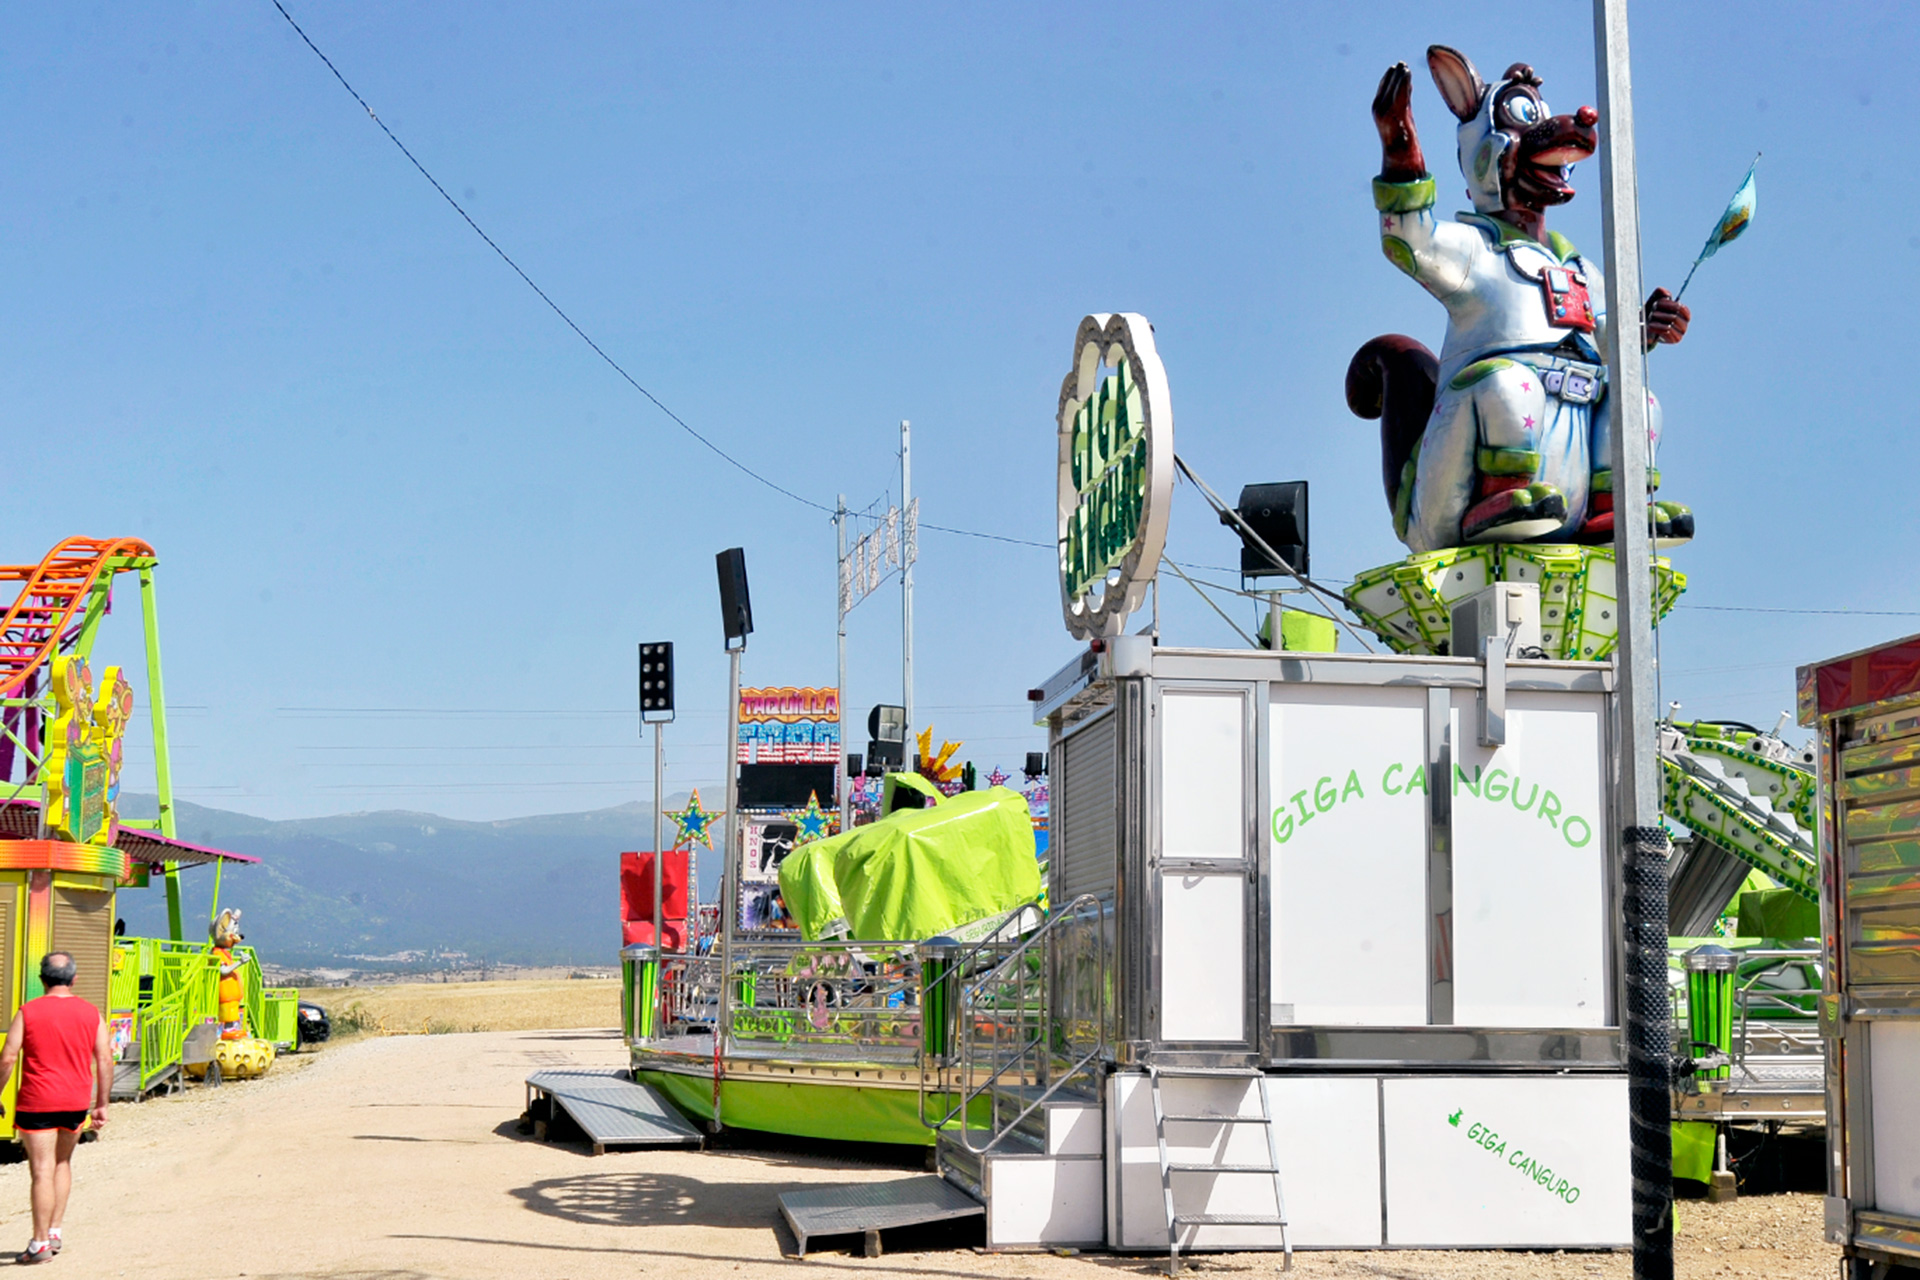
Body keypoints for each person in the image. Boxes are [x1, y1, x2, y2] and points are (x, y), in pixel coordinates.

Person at [0, 952, 112, 1264]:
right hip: (75, 1102)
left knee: (41, 1170)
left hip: (37, 1101)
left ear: (42, 979)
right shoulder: (91, 1013)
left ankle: (38, 1244)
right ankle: (54, 1232)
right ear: (74, 979)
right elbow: (104, 1058)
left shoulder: (28, 1011)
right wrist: (101, 1103)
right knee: (62, 1163)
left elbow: (8, 1058)